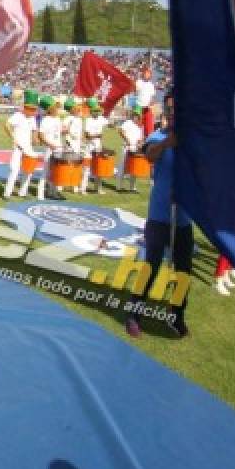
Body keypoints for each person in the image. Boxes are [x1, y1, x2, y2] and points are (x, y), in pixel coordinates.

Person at [125, 92, 190, 339]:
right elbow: (150, 155)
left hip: (183, 219)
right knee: (150, 268)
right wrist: (167, 144)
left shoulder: (193, 141)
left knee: (183, 272)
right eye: (170, 109)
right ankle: (134, 314)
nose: (174, 113)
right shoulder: (158, 136)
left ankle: (176, 317)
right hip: (159, 216)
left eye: (178, 109)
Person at [2, 90, 39, 198]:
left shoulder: (32, 118)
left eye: (34, 109)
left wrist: (35, 138)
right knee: (15, 170)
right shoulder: (18, 115)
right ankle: (7, 193)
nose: (33, 111)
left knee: (28, 171)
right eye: (31, 109)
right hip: (18, 147)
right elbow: (6, 125)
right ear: (25, 107)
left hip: (28, 148)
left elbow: (34, 130)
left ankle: (22, 192)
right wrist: (13, 137)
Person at [36, 95, 64, 200]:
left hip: (58, 147)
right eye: (55, 108)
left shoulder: (57, 119)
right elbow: (41, 136)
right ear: (50, 109)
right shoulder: (45, 120)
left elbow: (59, 132)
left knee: (56, 171)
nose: (57, 109)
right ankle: (40, 194)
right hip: (49, 149)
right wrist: (50, 145)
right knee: (46, 171)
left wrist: (66, 130)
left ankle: (53, 192)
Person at [83, 99, 110, 193]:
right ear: (91, 111)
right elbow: (87, 135)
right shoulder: (88, 120)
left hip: (98, 146)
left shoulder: (101, 119)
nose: (97, 112)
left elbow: (110, 124)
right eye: (95, 111)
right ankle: (83, 188)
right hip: (89, 147)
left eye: (98, 110)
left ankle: (98, 188)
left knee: (99, 167)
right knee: (86, 168)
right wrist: (97, 135)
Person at [116, 107, 145, 192]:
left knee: (134, 168)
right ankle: (119, 187)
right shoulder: (128, 122)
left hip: (135, 149)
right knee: (122, 166)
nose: (136, 116)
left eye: (137, 115)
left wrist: (140, 143)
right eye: (135, 114)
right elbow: (120, 131)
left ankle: (132, 187)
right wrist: (127, 140)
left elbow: (140, 138)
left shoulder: (139, 126)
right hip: (126, 147)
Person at [61, 98, 85, 194]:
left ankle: (74, 185)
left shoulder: (79, 118)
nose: (77, 109)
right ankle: (62, 184)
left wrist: (82, 139)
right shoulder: (67, 118)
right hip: (70, 144)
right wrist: (68, 135)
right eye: (75, 107)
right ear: (70, 109)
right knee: (67, 163)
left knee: (76, 164)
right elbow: (63, 131)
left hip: (78, 144)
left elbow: (81, 132)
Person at [134, 67, 157, 136]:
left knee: (149, 128)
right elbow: (134, 91)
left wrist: (151, 104)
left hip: (147, 108)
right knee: (137, 127)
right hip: (138, 107)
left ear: (150, 75)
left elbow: (152, 98)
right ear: (143, 74)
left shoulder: (151, 85)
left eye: (148, 74)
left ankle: (148, 142)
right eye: (145, 73)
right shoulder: (138, 82)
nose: (147, 75)